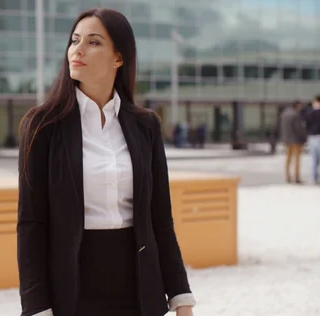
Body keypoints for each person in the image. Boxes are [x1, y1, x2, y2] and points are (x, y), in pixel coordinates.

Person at [17, 8, 195, 316]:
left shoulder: (145, 125)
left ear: (119, 58)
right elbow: (31, 223)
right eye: (75, 40)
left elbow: (160, 219)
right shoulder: (43, 125)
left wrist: (180, 296)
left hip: (139, 289)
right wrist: (36, 306)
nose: (78, 49)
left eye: (94, 42)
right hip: (72, 290)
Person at [279, 100, 307, 184]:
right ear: (297, 105)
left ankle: (287, 177)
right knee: (296, 160)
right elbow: (299, 128)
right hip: (296, 140)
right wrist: (304, 137)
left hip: (287, 140)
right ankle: (296, 178)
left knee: (287, 159)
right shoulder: (296, 114)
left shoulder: (284, 114)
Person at [305, 95, 320, 184]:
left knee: (313, 160)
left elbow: (306, 125)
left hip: (312, 138)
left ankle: (313, 178)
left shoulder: (310, 113)